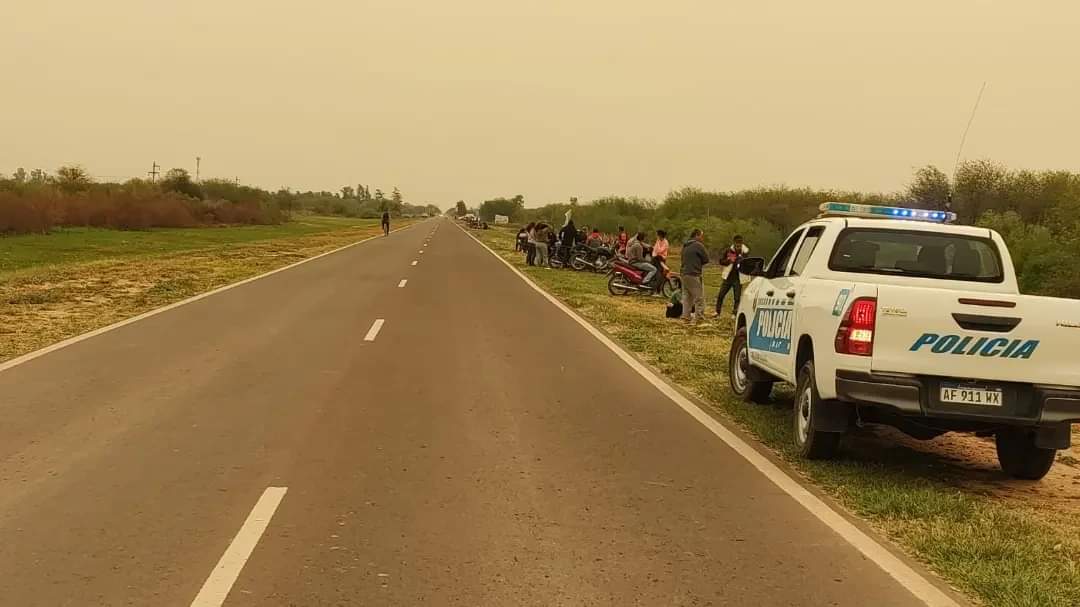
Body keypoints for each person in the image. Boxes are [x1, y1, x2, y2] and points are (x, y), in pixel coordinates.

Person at [716, 235, 750, 317]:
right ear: (734, 243)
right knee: (721, 295)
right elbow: (721, 261)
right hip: (728, 277)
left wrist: (741, 260)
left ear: (742, 243)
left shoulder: (746, 252)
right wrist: (728, 261)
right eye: (736, 245)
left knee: (737, 298)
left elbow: (748, 264)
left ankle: (734, 314)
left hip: (738, 278)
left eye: (740, 244)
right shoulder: (728, 251)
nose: (738, 246)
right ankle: (717, 312)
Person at [680, 229, 709, 323]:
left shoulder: (685, 245)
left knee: (687, 297)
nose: (702, 238)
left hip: (684, 274)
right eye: (701, 236)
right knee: (699, 297)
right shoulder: (698, 245)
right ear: (696, 235)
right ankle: (699, 318)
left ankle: (686, 317)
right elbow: (706, 258)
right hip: (693, 273)